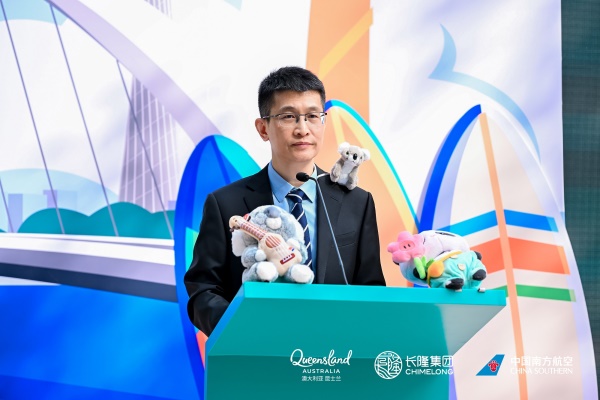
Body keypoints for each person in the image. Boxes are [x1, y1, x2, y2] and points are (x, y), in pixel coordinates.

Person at [184, 66, 385, 336]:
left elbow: (371, 289)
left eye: (312, 116)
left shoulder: (357, 203)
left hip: (336, 352)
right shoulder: (225, 204)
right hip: (256, 351)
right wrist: (242, 333)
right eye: (289, 117)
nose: (303, 129)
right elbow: (203, 290)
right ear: (263, 128)